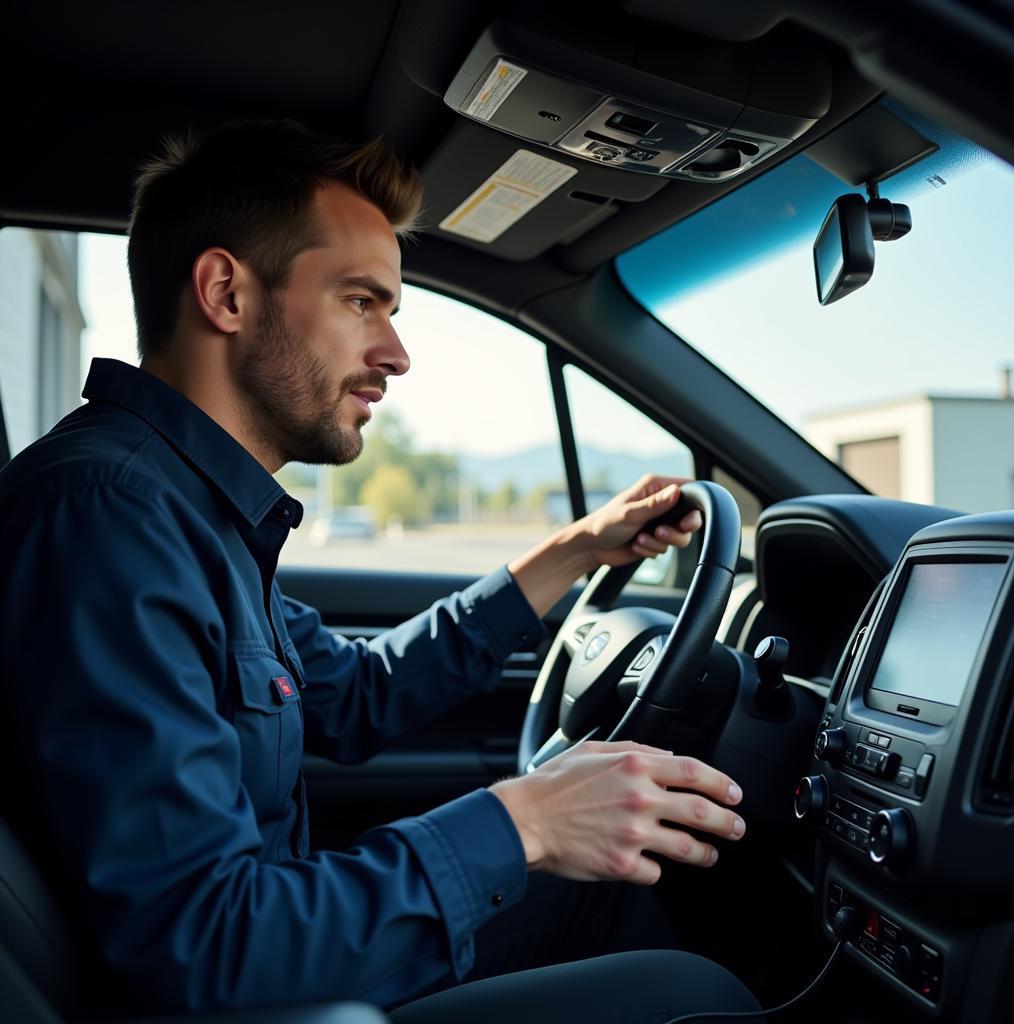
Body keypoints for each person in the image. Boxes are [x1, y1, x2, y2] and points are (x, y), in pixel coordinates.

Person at [0, 120, 760, 1022]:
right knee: (694, 993)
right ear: (226, 294)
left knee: (622, 885)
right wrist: (527, 823)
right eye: (364, 301)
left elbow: (358, 693)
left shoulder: (192, 515)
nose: (397, 353)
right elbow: (200, 944)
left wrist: (577, 549)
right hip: (247, 990)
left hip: (280, 959)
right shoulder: (110, 518)